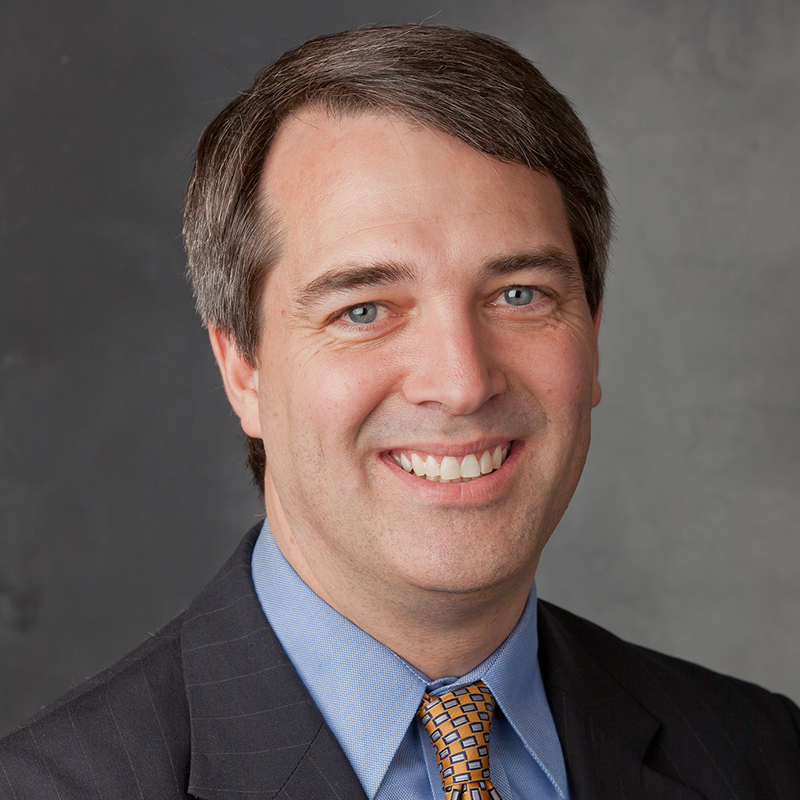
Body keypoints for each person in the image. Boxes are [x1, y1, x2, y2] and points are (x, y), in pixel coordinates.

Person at [1, 24, 798, 800]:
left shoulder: (764, 756)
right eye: (364, 309)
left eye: (519, 295)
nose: (462, 383)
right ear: (243, 367)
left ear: (592, 333)